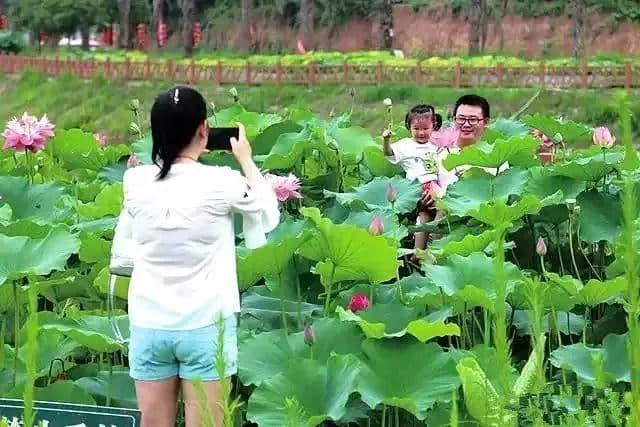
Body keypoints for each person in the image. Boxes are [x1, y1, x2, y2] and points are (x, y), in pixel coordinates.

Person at [110, 86, 279, 427]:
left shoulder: (135, 180)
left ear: (155, 131)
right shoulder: (222, 182)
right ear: (204, 129)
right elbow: (266, 211)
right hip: (205, 326)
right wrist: (245, 158)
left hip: (149, 325)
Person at [382, 104, 440, 260]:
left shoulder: (436, 145)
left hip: (436, 185)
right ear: (409, 127)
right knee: (441, 210)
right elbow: (388, 153)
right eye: (416, 128)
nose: (421, 132)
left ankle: (418, 253)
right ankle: (434, 249)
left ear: (433, 125)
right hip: (419, 186)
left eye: (425, 128)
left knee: (425, 217)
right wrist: (386, 140)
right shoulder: (406, 145)